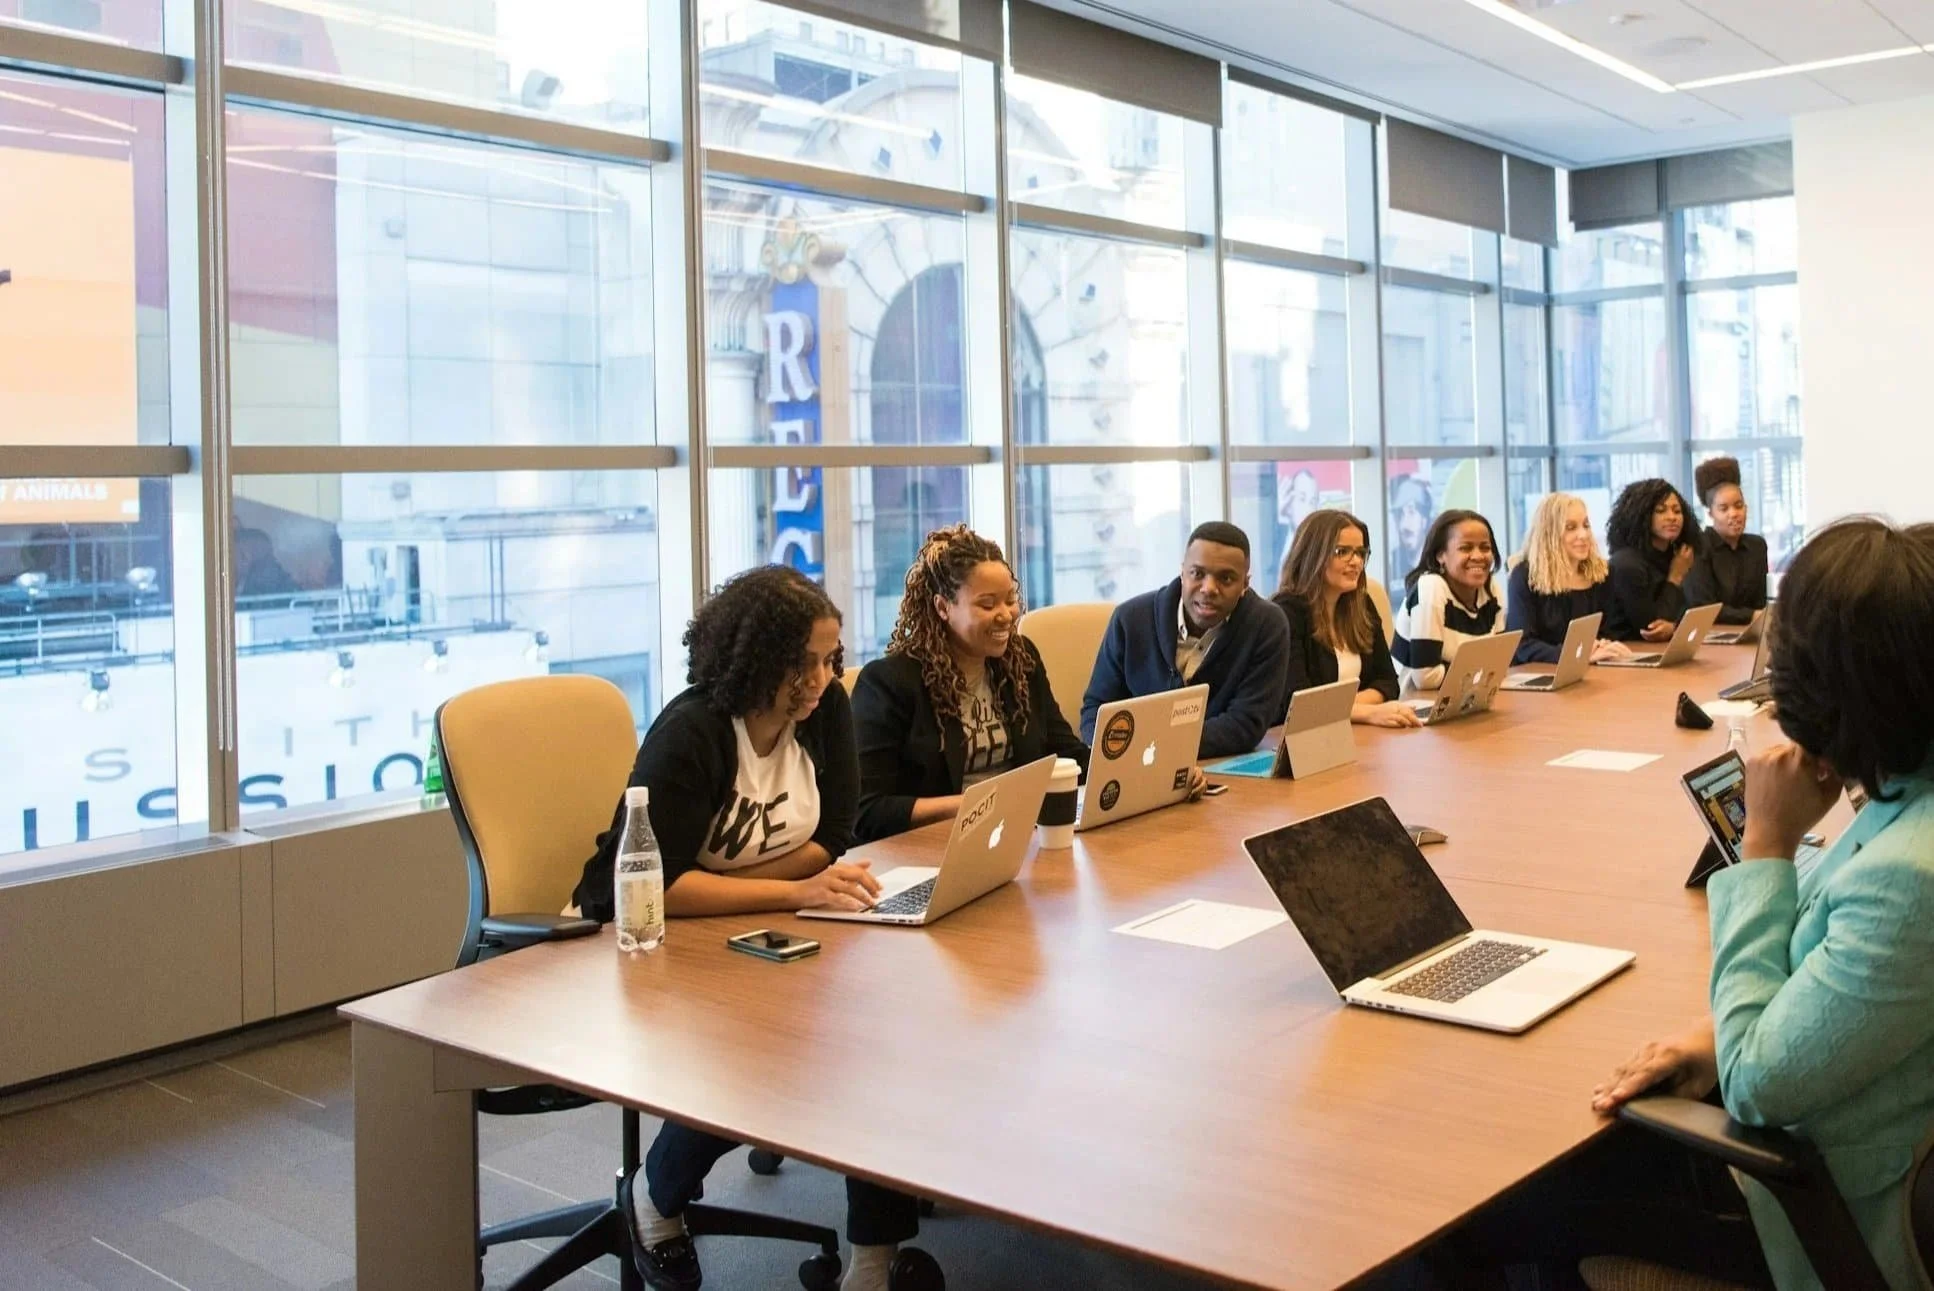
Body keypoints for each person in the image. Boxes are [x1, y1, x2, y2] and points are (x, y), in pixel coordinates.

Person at [1587, 517, 1934, 1291]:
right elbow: (1824, 953)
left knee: (1527, 1213)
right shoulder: (1912, 794)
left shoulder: (1912, 877)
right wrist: (1712, 1034)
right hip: (1855, 1129)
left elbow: (1754, 1082)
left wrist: (1767, 844)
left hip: (1844, 1215)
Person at [568, 566, 925, 1291]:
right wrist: (788, 891)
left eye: (832, 658)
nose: (826, 677)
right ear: (761, 660)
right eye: (808, 662)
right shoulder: (695, 731)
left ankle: (874, 1261)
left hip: (753, 919)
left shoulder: (822, 715)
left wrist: (774, 891)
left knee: (878, 1034)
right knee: (754, 1052)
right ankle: (654, 1198)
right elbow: (653, 884)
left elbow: (836, 832)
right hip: (650, 942)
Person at [853, 525, 1094, 844]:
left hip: (1016, 838)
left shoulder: (1021, 660)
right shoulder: (888, 684)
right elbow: (868, 811)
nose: (1006, 615)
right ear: (942, 607)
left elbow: (1066, 753)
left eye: (1010, 599)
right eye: (987, 604)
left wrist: (1127, 773)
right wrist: (986, 804)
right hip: (934, 849)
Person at [1080, 520, 1291, 761]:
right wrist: (1137, 752)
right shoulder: (1130, 620)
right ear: (1182, 572)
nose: (1209, 588)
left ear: (1245, 584)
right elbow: (1096, 711)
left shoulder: (1267, 624)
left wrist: (1159, 744)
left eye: (1226, 579)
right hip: (1134, 765)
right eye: (1197, 574)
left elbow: (1246, 724)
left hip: (1219, 770)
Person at [1273, 508, 1418, 728]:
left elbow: (1388, 682)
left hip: (1354, 731)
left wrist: (1346, 709)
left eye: (1360, 552)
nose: (1356, 561)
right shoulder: (1285, 613)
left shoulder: (1362, 605)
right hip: (1302, 742)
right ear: (1313, 555)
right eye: (1342, 552)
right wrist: (1367, 713)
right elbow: (1297, 704)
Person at [1505, 494, 1632, 667]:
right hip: (1538, 673)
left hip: (1587, 671)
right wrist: (1576, 654)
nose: (1583, 534)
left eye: (1586, 525)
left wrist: (1603, 645)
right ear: (1549, 534)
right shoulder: (1525, 576)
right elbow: (1523, 644)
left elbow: (1606, 630)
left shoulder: (1602, 574)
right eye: (1571, 528)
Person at [1391, 509, 1505, 691]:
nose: (1478, 556)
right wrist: (1480, 674)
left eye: (1485, 547)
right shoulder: (1431, 588)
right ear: (1440, 555)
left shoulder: (1490, 589)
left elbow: (1499, 664)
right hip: (1414, 705)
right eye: (1465, 548)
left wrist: (1480, 674)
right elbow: (1425, 678)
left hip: (1465, 699)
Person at [1603, 478, 1699, 643]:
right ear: (1642, 516)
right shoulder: (1626, 564)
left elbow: (1686, 613)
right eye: (1661, 511)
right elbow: (1651, 629)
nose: (1672, 517)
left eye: (1677, 511)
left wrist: (1675, 627)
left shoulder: (1677, 555)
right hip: (1628, 652)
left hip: (1659, 650)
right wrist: (1675, 577)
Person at [1683, 456, 1769, 627]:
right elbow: (1704, 609)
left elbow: (1760, 602)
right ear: (1710, 513)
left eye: (1738, 506)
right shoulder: (1698, 546)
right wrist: (1752, 616)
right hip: (1709, 634)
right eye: (1724, 509)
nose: (1734, 514)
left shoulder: (1757, 546)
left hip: (1751, 631)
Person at [1389, 474, 1434, 584]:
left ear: (1424, 520)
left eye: (1411, 512)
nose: (1404, 525)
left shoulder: (1436, 563)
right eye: (1400, 514)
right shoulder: (1394, 565)